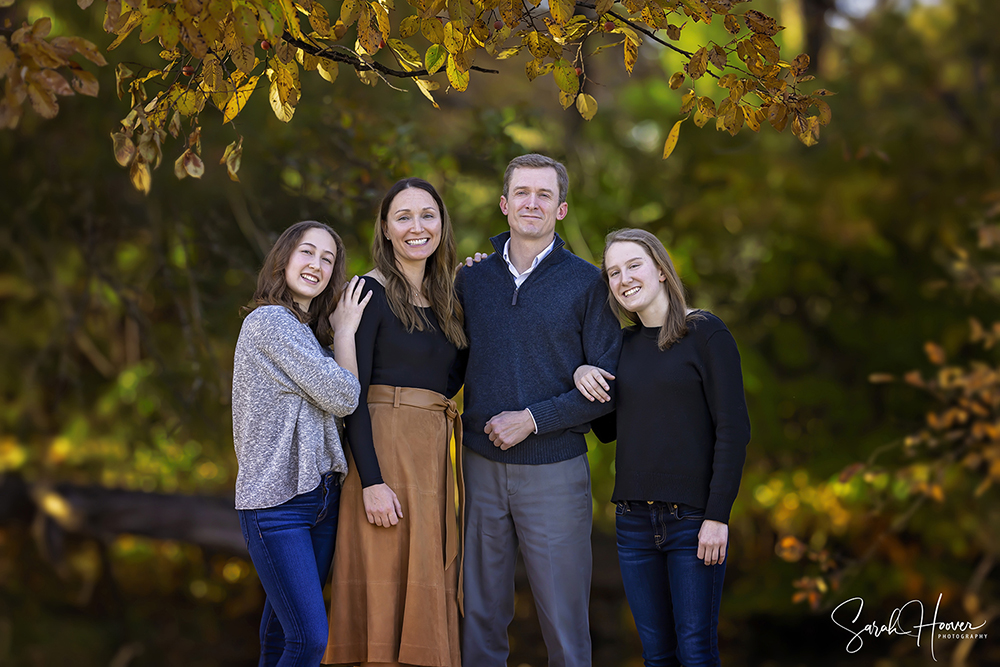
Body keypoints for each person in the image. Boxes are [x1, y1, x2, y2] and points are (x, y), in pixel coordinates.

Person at [452, 154, 623, 667]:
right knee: (480, 615)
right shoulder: (470, 281)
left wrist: (531, 420)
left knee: (564, 624)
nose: (532, 203)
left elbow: (608, 387)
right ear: (504, 204)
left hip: (555, 472)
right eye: (522, 193)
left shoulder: (589, 283)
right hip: (479, 468)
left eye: (544, 195)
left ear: (562, 208)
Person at [573, 228, 751, 667]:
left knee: (696, 651)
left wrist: (717, 516)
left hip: (692, 521)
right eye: (613, 272)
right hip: (633, 523)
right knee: (655, 656)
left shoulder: (706, 333)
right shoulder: (622, 346)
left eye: (633, 265)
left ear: (661, 270)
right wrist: (583, 378)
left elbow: (734, 429)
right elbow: (608, 430)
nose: (623, 278)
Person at [324, 178, 467, 667]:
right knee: (383, 585)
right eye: (402, 217)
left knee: (428, 578)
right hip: (380, 453)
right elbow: (351, 397)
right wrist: (371, 481)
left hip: (432, 457)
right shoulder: (366, 291)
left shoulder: (451, 298)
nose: (416, 227)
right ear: (385, 229)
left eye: (427, 215)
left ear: (442, 225)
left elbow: (452, 381)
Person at [232, 220, 372, 667]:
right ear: (283, 258)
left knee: (279, 636)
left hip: (321, 501)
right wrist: (347, 329)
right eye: (307, 252)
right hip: (277, 505)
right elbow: (345, 395)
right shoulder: (270, 322)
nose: (317, 265)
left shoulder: (306, 337)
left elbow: (337, 384)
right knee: (309, 640)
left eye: (328, 259)